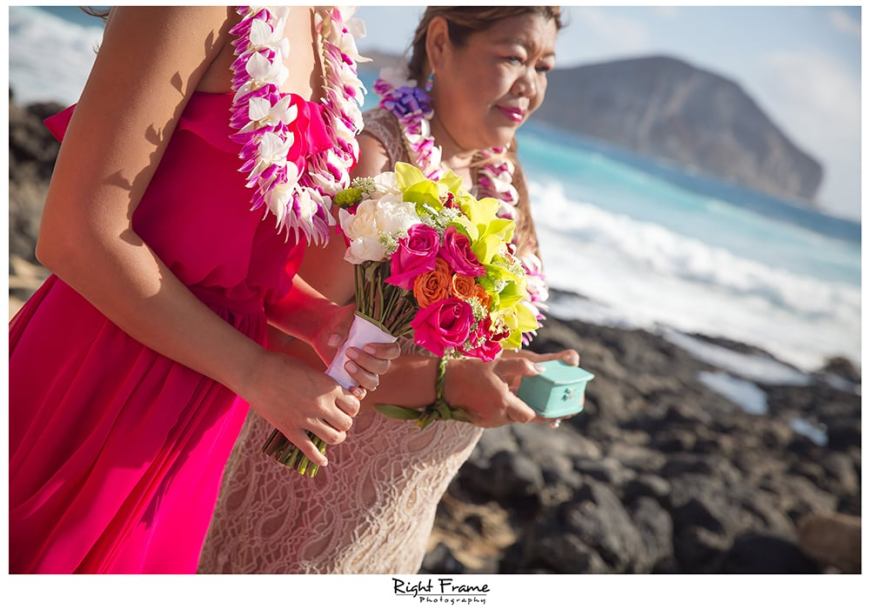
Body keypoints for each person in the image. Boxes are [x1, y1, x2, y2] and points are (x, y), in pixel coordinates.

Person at [9, 6, 401, 574]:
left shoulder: (322, 24)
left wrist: (316, 319)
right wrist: (256, 371)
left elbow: (231, 259)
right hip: (101, 371)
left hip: (203, 413)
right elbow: (76, 234)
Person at [199, 6, 576, 574]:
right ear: (442, 43)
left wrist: (513, 371)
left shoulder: (502, 180)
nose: (531, 85)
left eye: (544, 67)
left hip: (398, 517)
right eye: (513, 58)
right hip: (309, 499)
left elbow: (469, 346)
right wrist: (446, 384)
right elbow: (296, 347)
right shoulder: (379, 157)